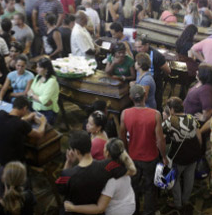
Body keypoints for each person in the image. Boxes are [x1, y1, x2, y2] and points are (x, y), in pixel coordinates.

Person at [119, 84, 167, 215]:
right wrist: (164, 156)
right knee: (150, 188)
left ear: (130, 97)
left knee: (133, 187)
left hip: (133, 157)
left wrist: (127, 152)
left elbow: (122, 136)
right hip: (150, 157)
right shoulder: (155, 114)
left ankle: (134, 211)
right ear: (145, 96)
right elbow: (160, 140)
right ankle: (149, 212)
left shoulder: (125, 114)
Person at [56, 131, 130, 212]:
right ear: (90, 145)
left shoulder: (67, 174)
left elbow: (61, 190)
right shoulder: (108, 165)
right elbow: (126, 169)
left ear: (76, 151)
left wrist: (68, 163)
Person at [0, 96, 46, 195]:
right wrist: (43, 122)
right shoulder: (21, 124)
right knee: (24, 192)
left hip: (2, 162)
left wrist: (27, 117)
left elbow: (14, 118)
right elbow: (39, 134)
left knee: (4, 192)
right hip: (17, 166)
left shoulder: (0, 114)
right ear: (24, 109)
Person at [162, 97, 202, 210]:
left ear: (172, 109)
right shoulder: (191, 118)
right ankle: (186, 200)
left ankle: (177, 203)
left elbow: (160, 136)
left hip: (180, 155)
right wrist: (198, 150)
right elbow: (198, 136)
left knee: (175, 178)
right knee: (189, 177)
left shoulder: (170, 121)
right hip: (193, 153)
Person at [134, 36, 171, 111]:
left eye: (140, 47)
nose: (138, 50)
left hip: (155, 85)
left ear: (147, 45)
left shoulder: (157, 56)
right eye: (136, 47)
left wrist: (159, 76)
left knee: (156, 107)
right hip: (141, 83)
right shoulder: (137, 53)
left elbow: (168, 70)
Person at [27, 57, 59, 125]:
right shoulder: (38, 76)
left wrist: (33, 95)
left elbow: (43, 101)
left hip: (47, 112)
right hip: (34, 108)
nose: (36, 69)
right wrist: (38, 98)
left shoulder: (51, 81)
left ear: (46, 69)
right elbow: (29, 92)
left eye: (39, 67)